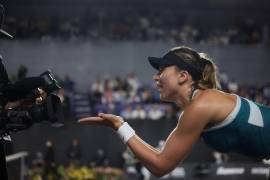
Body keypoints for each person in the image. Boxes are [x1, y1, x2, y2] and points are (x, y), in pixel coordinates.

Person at [79, 46, 270, 177]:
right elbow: (161, 158)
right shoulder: (199, 105)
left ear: (183, 76)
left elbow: (160, 166)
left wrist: (120, 126)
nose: (155, 77)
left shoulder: (200, 106)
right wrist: (120, 126)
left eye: (162, 70)